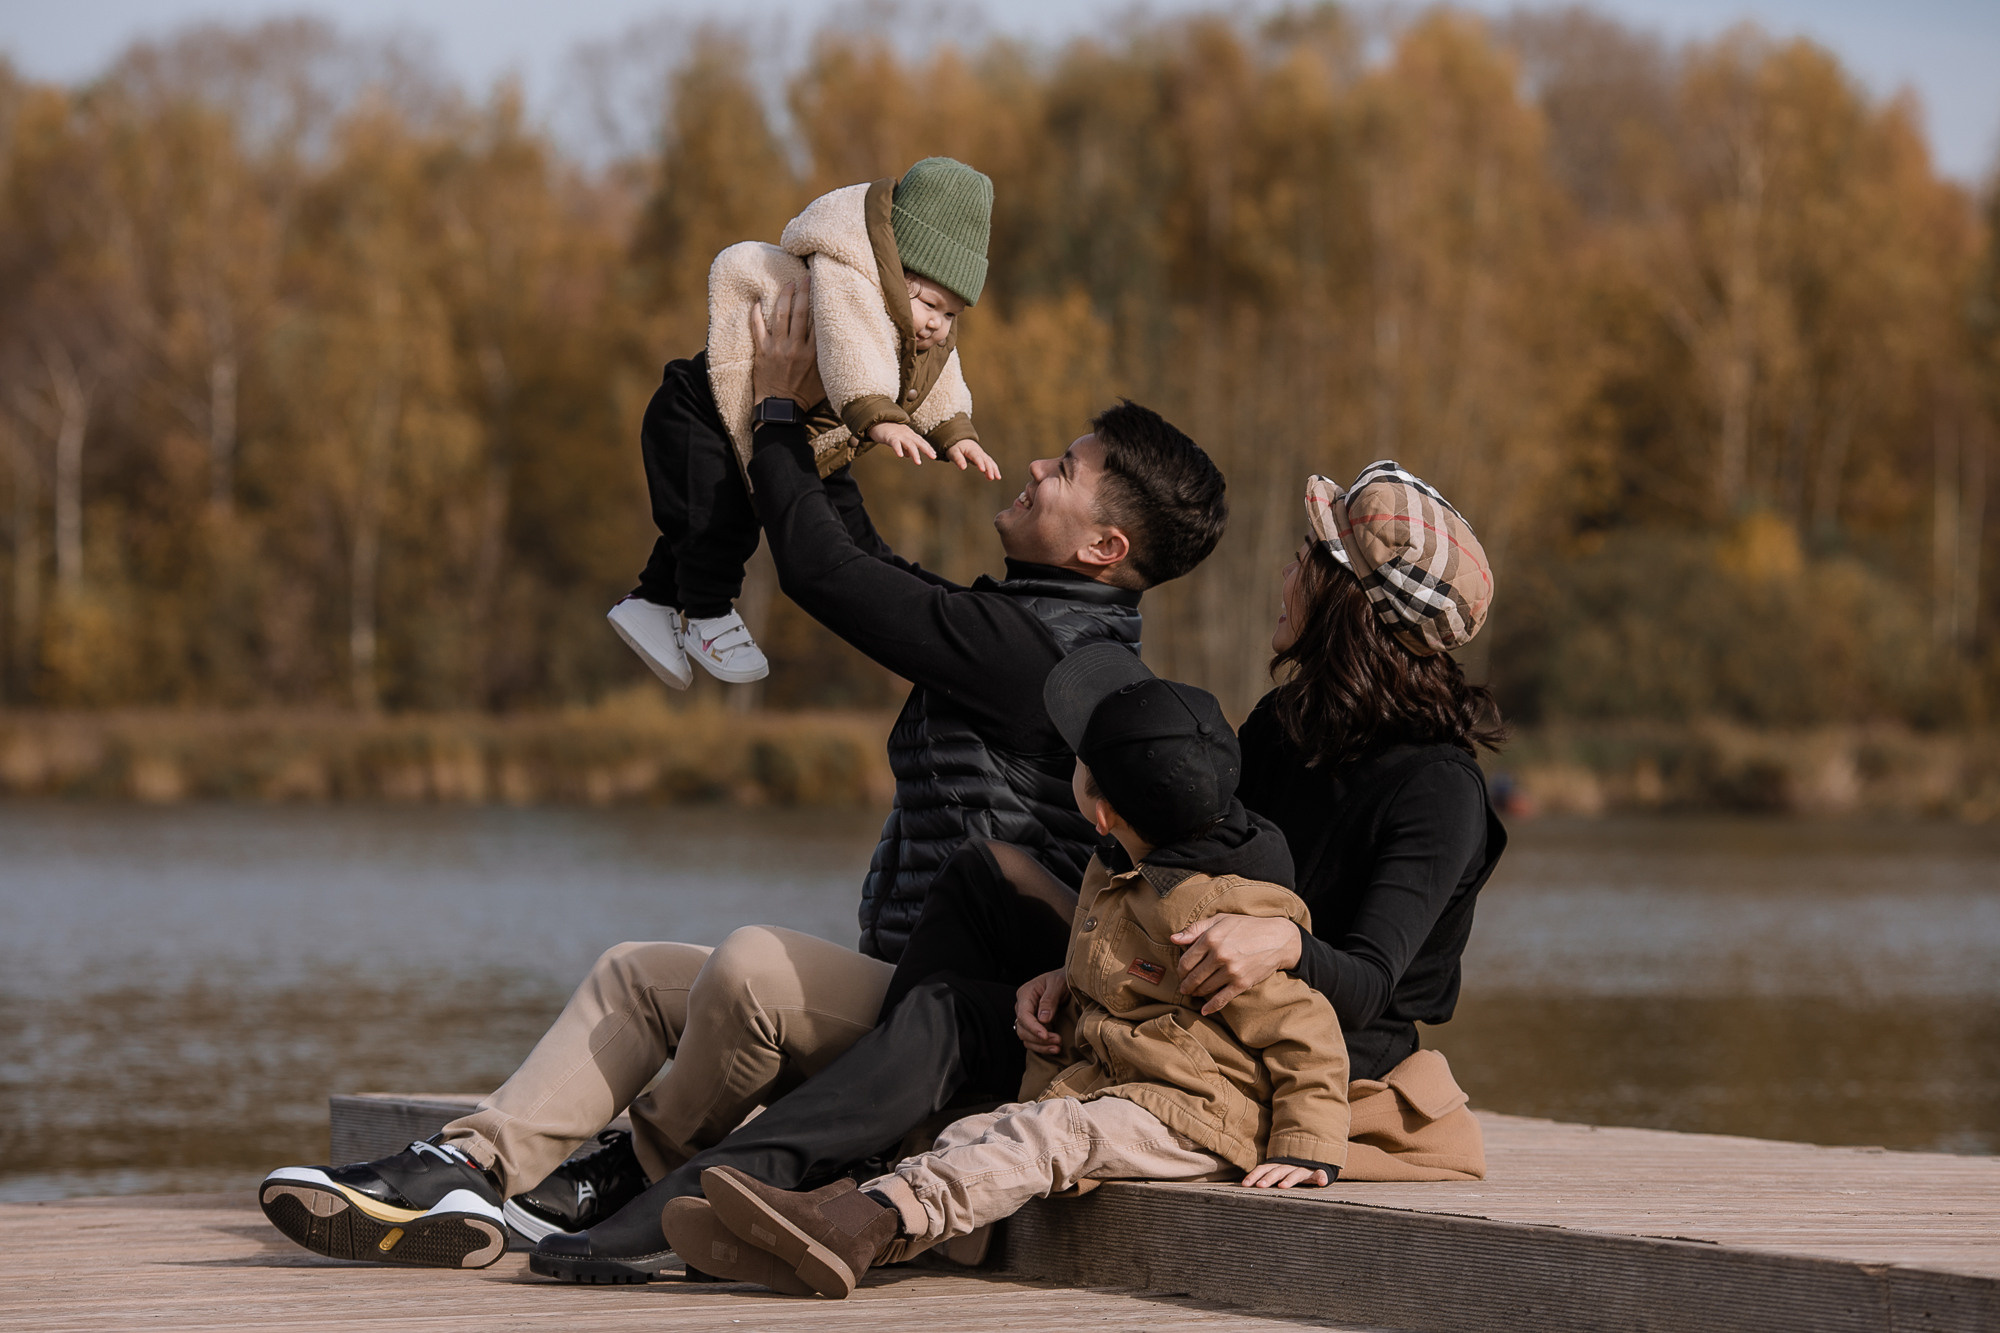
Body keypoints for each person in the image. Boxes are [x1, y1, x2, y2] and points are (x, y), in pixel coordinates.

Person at [255, 283, 1229, 1276]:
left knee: (755, 965)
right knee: (636, 973)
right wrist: (814, 418)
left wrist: (772, 416)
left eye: (1063, 468)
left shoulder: (1033, 657)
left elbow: (823, 575)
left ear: (1104, 547)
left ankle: (619, 1178)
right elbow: (859, 560)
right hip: (904, 984)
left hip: (963, 1032)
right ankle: (467, 1161)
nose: (1033, 465)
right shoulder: (1034, 627)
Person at [595, 457, 1507, 1290]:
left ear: (1354, 604)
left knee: (954, 1020)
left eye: (1310, 558)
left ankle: (773, 1183)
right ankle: (831, 1166)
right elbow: (1176, 872)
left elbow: (1371, 987)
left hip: (1272, 1056)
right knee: (982, 885)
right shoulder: (1285, 723)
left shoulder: (1438, 792)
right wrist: (1075, 965)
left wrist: (1288, 943)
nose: (1287, 572)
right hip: (1165, 990)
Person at [664, 645, 1350, 1299]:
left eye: (1079, 765)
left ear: (1101, 809)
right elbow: (1131, 975)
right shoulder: (1121, 863)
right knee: (975, 1133)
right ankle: (841, 1229)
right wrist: (1063, 979)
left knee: (1044, 1135)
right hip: (1127, 1086)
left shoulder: (1219, 908)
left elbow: (1306, 1027)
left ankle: (857, 1222)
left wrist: (1309, 1146)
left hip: (1194, 1111)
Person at [606, 155, 1003, 688]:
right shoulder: (848, 281)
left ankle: (650, 602)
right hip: (701, 411)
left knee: (838, 532)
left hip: (797, 432)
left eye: (952, 314)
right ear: (893, 268)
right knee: (718, 518)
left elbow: (939, 375)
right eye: (931, 303)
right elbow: (848, 349)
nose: (937, 323)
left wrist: (955, 430)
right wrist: (880, 417)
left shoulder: (917, 325)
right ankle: (706, 611)